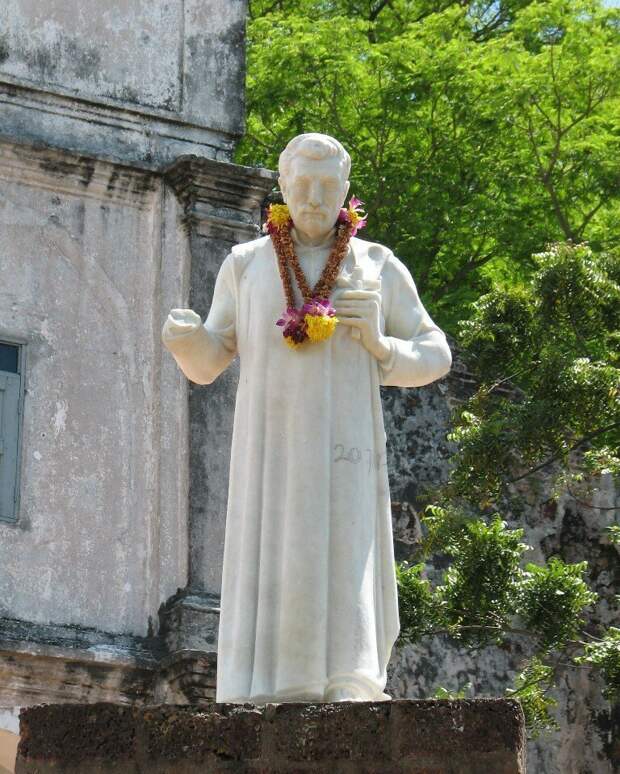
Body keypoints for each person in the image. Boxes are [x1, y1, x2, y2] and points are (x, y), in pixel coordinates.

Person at [162, 133, 452, 703]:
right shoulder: (246, 265)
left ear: (346, 191)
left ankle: (349, 675)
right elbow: (210, 359)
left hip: (346, 445)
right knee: (276, 549)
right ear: (283, 188)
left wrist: (381, 345)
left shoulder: (376, 265)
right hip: (271, 447)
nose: (315, 197)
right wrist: (186, 339)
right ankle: (265, 681)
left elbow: (436, 354)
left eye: (328, 186)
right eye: (303, 185)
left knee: (346, 545)